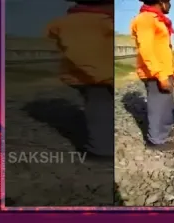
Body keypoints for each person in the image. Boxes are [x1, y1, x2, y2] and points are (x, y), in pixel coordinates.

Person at [46, 0, 114, 164]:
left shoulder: (91, 19)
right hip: (92, 77)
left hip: (95, 74)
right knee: (100, 106)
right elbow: (86, 57)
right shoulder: (86, 22)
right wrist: (108, 78)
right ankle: (100, 151)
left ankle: (103, 143)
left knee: (102, 107)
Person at [131, 0, 174, 152]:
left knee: (166, 105)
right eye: (169, 1)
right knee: (158, 106)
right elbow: (146, 50)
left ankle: (163, 132)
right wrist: (161, 75)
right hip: (155, 73)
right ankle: (155, 140)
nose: (170, 5)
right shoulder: (145, 19)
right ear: (161, 2)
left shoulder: (158, 19)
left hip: (164, 71)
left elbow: (164, 49)